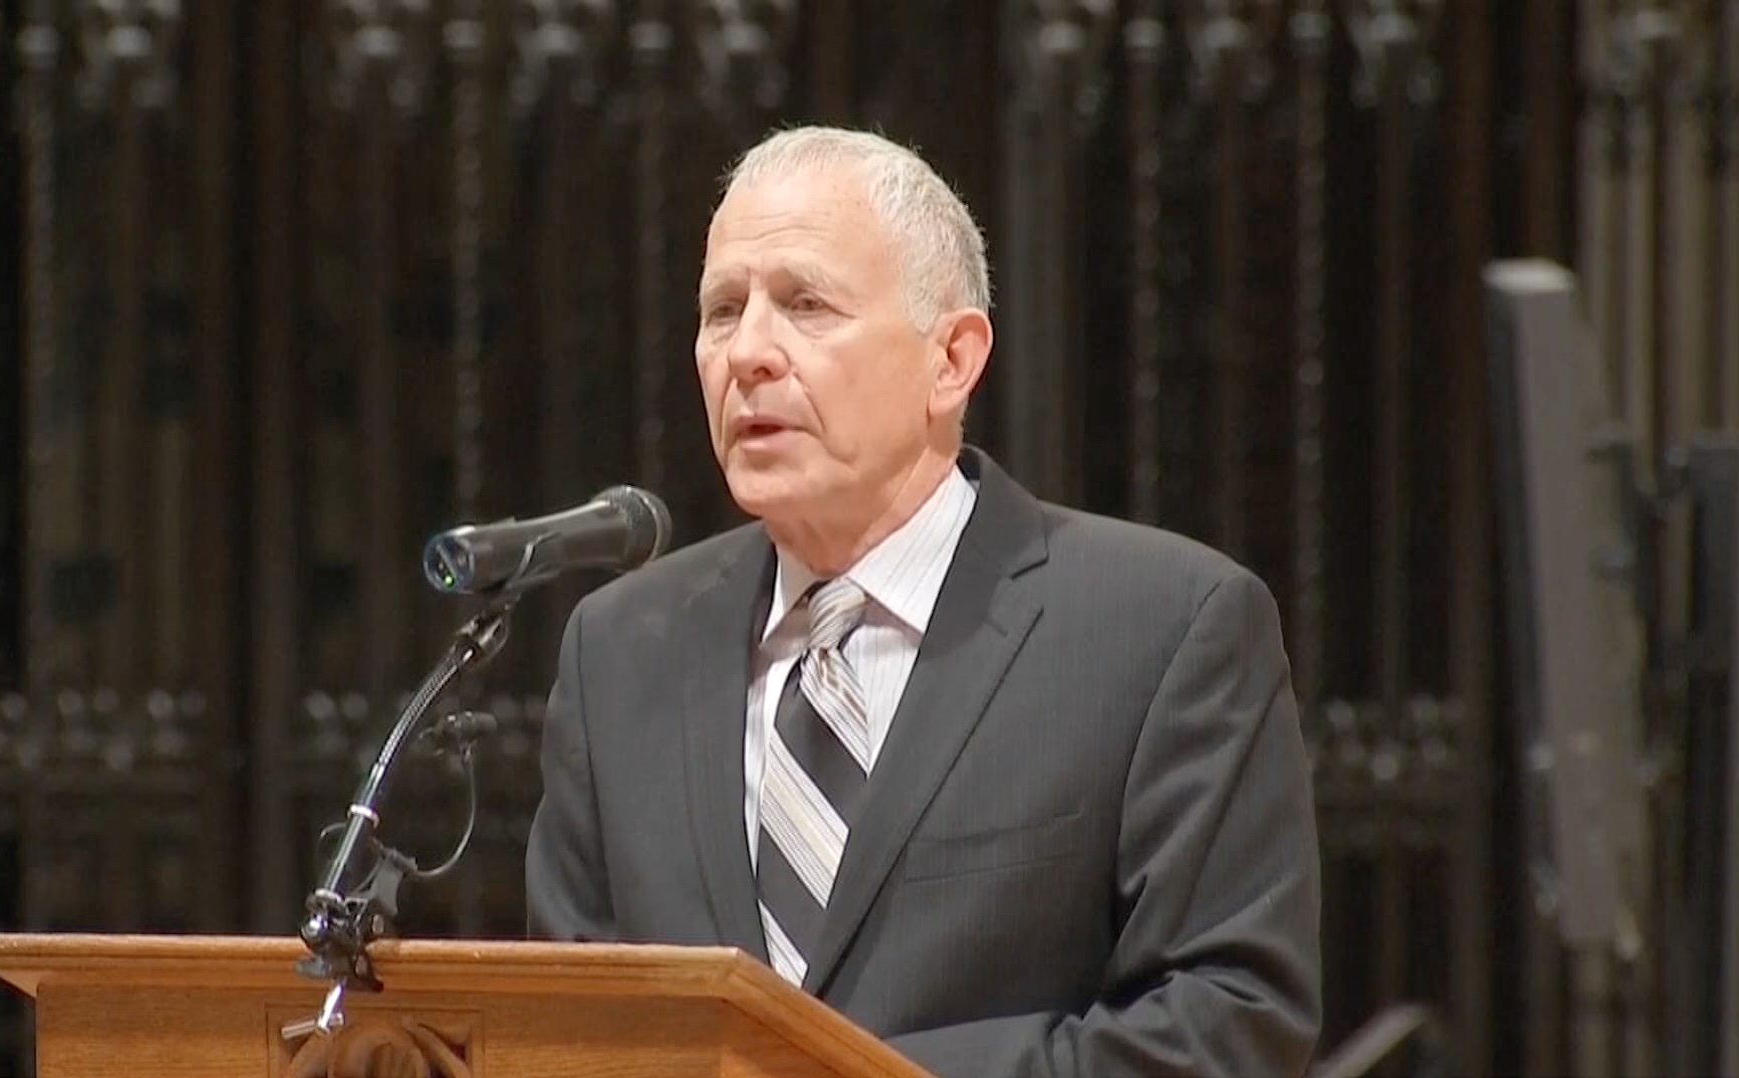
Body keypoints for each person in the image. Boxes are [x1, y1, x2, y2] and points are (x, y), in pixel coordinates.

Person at [524, 124, 1322, 1078]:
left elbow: (1230, 1023)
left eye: (806, 304)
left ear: (952, 359)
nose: (749, 354)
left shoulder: (1164, 630)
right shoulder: (620, 651)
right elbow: (566, 1025)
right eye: (723, 309)